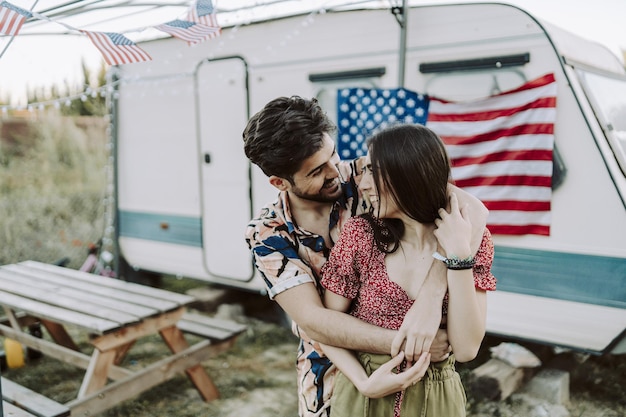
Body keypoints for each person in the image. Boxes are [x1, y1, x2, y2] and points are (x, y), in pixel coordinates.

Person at [243, 96, 489, 417]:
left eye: (333, 155)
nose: (336, 172)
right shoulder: (268, 233)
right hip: (327, 371)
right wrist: (413, 344)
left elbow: (471, 210)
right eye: (318, 171)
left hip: (419, 381)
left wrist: (430, 298)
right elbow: (314, 320)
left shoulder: (368, 175)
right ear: (279, 182)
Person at [319, 123, 497, 417]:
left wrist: (459, 256)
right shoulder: (360, 236)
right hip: (365, 394)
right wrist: (363, 383)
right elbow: (326, 327)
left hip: (436, 397)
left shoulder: (473, 239)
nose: (363, 185)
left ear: (408, 173)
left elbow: (466, 349)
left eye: (373, 171)